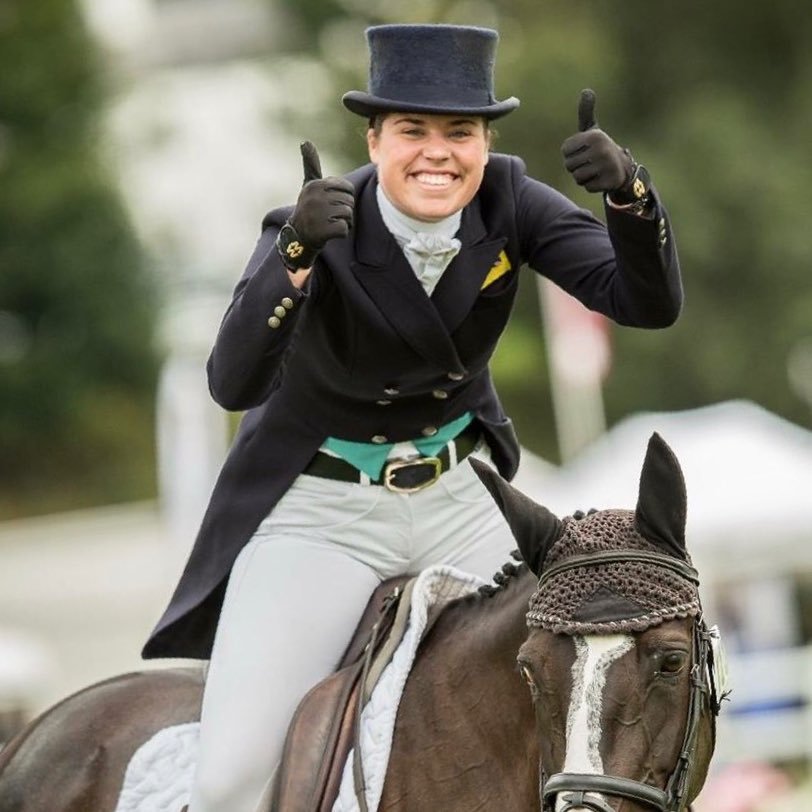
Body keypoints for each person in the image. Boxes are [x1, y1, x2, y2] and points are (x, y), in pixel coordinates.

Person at [143, 23, 684, 812]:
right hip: (326, 512)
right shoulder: (314, 222)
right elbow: (232, 382)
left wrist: (630, 193)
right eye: (413, 132)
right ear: (374, 138)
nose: (439, 152)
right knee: (231, 783)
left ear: (484, 140)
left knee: (588, 669)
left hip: (463, 499)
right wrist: (295, 255)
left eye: (459, 132)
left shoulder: (511, 200)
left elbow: (646, 302)